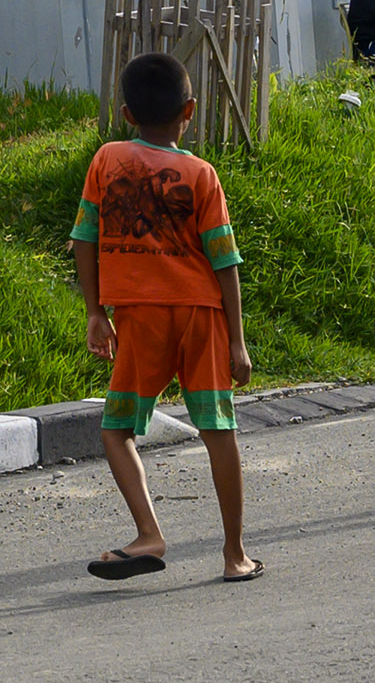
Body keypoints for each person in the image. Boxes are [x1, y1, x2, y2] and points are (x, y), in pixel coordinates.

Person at [71, 50, 258, 584]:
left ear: (126, 114)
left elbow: (84, 237)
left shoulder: (107, 159)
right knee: (217, 429)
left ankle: (149, 533)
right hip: (201, 314)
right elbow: (225, 262)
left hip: (139, 316)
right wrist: (238, 342)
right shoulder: (201, 173)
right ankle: (234, 555)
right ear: (190, 110)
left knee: (117, 429)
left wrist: (94, 311)